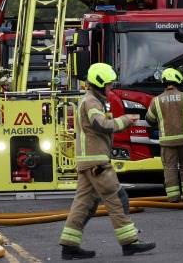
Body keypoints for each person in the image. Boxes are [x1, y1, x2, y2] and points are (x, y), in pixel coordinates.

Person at [58, 63, 156, 260]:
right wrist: (126, 120)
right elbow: (101, 124)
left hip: (88, 161)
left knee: (83, 204)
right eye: (109, 84)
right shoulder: (92, 102)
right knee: (117, 198)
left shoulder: (91, 100)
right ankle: (130, 243)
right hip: (97, 162)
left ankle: (69, 246)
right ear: (99, 83)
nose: (111, 88)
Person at [146, 68, 183, 202]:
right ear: (177, 80)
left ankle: (173, 197)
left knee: (169, 168)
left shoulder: (156, 101)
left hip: (167, 143)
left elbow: (149, 120)